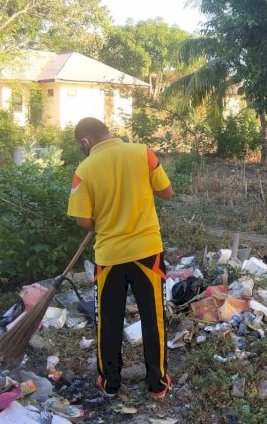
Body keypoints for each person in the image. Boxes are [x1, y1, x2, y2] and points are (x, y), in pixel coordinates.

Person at [67, 117, 174, 398]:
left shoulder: (83, 170)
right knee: (154, 319)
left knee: (109, 321)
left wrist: (102, 222)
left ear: (85, 142)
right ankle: (157, 384)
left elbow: (82, 221)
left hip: (110, 256)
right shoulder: (143, 152)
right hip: (147, 252)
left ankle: (110, 383)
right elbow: (167, 192)